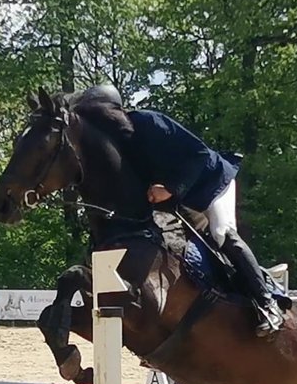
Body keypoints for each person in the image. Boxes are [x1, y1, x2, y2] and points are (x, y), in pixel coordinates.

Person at [71, 84, 285, 336]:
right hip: (178, 198)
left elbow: (200, 154)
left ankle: (267, 303)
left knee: (220, 233)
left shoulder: (148, 122)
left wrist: (170, 188)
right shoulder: (116, 146)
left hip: (211, 181)